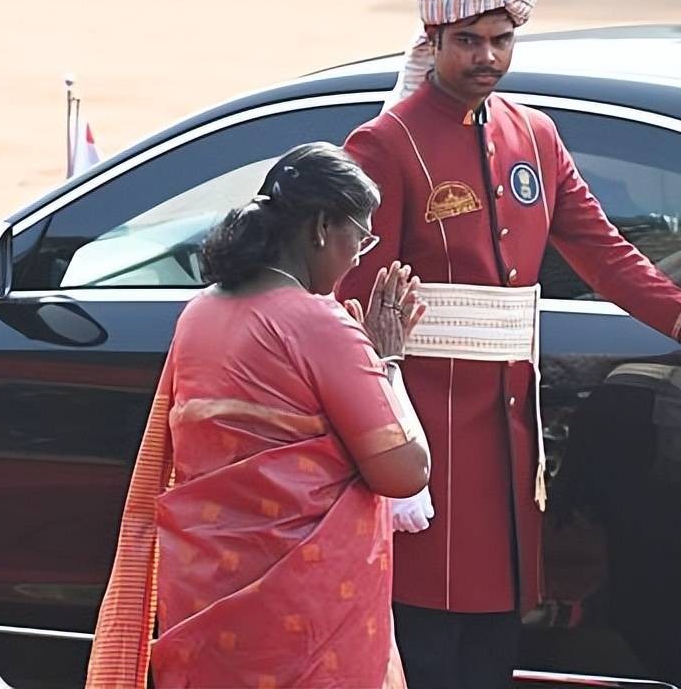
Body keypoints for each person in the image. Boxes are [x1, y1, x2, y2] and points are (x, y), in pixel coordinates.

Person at [336, 0, 681, 687]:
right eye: (469, 41)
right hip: (419, 433)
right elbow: (348, 298)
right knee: (423, 641)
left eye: (502, 39)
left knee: (494, 644)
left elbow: (610, 258)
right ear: (432, 38)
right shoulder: (386, 143)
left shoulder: (536, 134)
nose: (488, 56)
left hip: (509, 437)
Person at [86, 142, 429, 689]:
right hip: (300, 621)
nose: (358, 256)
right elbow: (404, 471)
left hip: (205, 597)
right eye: (359, 238)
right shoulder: (320, 325)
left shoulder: (199, 314)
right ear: (321, 228)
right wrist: (386, 361)